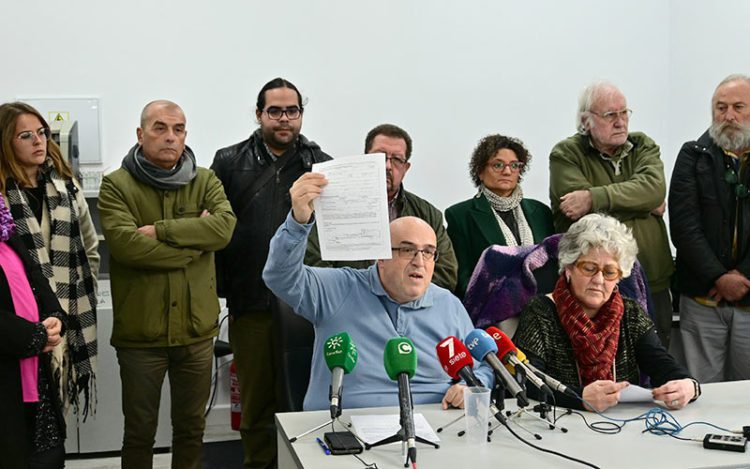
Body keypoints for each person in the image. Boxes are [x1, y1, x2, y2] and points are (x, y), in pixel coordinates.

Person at [263, 173, 493, 411]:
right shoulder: (339, 288)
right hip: (346, 423)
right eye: (407, 250)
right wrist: (298, 223)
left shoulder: (448, 304)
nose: (419, 262)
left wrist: (472, 387)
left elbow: (482, 367)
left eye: (428, 252)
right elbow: (280, 276)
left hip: (436, 422)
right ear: (381, 256)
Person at [98, 100, 236, 469]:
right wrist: (194, 247)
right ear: (141, 135)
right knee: (139, 431)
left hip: (196, 334)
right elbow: (127, 247)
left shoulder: (205, 180)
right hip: (142, 336)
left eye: (178, 129)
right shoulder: (116, 185)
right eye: (160, 128)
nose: (170, 137)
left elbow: (223, 230)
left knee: (191, 428)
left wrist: (161, 231)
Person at [211, 77, 330, 468]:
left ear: (301, 114)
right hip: (250, 301)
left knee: (302, 398)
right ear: (259, 113)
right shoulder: (229, 161)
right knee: (257, 404)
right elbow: (214, 225)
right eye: (275, 111)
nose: (284, 119)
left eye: (291, 111)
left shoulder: (322, 164)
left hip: (304, 305)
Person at [514, 214, 699, 412]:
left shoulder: (630, 313)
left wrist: (689, 386)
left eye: (610, 272)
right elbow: (527, 380)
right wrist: (580, 398)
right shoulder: (540, 311)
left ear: (620, 276)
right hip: (561, 425)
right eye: (589, 268)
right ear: (569, 267)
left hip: (623, 426)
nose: (599, 280)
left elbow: (662, 364)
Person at [549, 82, 674, 349]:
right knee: (605, 357)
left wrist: (594, 197)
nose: (620, 122)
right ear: (586, 121)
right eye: (610, 115)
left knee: (657, 357)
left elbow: (654, 189)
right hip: (597, 285)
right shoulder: (566, 153)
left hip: (654, 278)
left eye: (624, 113)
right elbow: (578, 213)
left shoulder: (643, 145)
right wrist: (641, 202)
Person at [0, 101, 99, 419]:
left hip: (66, 318)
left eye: (42, 133)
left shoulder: (67, 190)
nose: (38, 141)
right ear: (5, 142)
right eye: (26, 135)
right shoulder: (1, 197)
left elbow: (90, 249)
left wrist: (80, 294)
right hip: (18, 326)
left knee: (57, 417)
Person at [304, 123, 458, 291]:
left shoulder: (428, 215)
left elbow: (446, 272)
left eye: (397, 160)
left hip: (409, 311)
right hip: (347, 307)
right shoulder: (332, 205)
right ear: (365, 159)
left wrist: (399, 294)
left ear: (406, 168)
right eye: (380, 157)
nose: (387, 166)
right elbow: (314, 263)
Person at [669, 74, 750, 383]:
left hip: (749, 297)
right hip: (702, 300)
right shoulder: (692, 155)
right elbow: (684, 226)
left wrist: (743, 276)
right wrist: (719, 276)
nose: (728, 116)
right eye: (720, 107)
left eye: (738, 107)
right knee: (701, 394)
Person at [0, 195, 67, 469]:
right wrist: (36, 336)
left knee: (44, 457)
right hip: (7, 378)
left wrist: (54, 316)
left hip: (33, 375)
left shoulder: (5, 229)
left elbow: (35, 277)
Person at [446, 134, 554, 300]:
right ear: (480, 171)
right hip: (492, 307)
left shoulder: (541, 212)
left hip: (541, 304)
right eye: (498, 165)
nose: (507, 171)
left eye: (514, 165)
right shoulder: (460, 215)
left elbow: (552, 266)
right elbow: (462, 278)